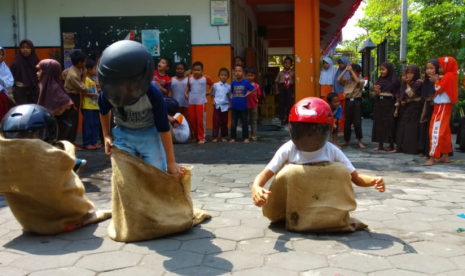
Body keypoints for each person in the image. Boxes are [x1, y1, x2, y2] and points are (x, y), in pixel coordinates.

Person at [252, 97, 385, 208]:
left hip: (322, 202)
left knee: (340, 171)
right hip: (295, 203)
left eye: (313, 133)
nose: (307, 138)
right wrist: (257, 188)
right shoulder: (288, 149)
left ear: (327, 131)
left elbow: (356, 178)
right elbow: (264, 175)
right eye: (303, 132)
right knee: (288, 173)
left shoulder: (331, 150)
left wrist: (373, 181)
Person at [0, 104, 110, 235]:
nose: (22, 141)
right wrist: (66, 148)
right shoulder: (56, 155)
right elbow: (67, 158)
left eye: (28, 136)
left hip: (29, 222)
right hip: (65, 220)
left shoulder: (6, 160)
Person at [98, 40, 185, 178]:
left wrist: (171, 161)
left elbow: (163, 128)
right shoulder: (108, 92)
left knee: (156, 173)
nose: (123, 90)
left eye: (128, 85)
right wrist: (106, 136)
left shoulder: (153, 93)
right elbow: (103, 111)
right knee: (123, 177)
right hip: (122, 134)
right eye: (119, 84)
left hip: (149, 134)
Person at [423, 57, 459, 166]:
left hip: (442, 106)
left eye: (441, 67)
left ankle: (433, 157)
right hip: (443, 106)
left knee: (435, 130)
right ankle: (445, 155)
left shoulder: (448, 76)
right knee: (445, 132)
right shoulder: (451, 75)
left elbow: (439, 89)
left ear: (447, 66)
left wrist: (436, 81)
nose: (439, 69)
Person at [36, 59, 74, 141]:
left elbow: (66, 103)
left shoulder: (54, 87)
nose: (37, 73)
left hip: (57, 129)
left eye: (40, 70)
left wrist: (52, 112)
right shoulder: (45, 85)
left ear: (47, 72)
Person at [393, 65, 423, 154]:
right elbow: (401, 95)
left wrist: (407, 84)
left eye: (411, 73)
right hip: (407, 107)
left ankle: (411, 149)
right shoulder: (406, 84)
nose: (409, 75)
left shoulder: (418, 83)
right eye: (408, 73)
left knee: (412, 128)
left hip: (416, 107)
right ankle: (401, 147)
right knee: (403, 127)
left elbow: (410, 94)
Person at [371, 62, 400, 151]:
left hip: (390, 104)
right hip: (380, 104)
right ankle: (380, 144)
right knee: (379, 123)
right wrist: (376, 91)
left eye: (383, 70)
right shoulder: (379, 80)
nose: (382, 72)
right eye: (381, 70)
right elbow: (373, 94)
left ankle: (391, 145)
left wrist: (396, 108)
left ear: (389, 70)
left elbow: (398, 94)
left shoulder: (394, 81)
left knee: (390, 124)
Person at [63, 50, 88, 149]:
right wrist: (85, 75)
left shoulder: (71, 69)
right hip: (72, 96)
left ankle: (70, 141)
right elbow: (83, 87)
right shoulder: (73, 74)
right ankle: (70, 142)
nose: (85, 63)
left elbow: (63, 74)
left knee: (74, 119)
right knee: (72, 120)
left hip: (73, 95)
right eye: (84, 61)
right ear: (79, 63)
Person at [184, 61, 214, 144]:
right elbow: (188, 87)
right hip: (191, 102)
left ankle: (202, 138)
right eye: (195, 70)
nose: (196, 72)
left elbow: (212, 84)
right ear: (192, 70)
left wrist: (209, 91)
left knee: (200, 121)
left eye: (198, 70)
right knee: (193, 120)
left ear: (202, 70)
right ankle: (196, 136)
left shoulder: (206, 78)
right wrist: (185, 93)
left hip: (201, 102)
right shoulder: (190, 77)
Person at [337, 64, 366, 148]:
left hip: (357, 102)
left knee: (357, 122)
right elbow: (338, 80)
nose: (351, 74)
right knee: (347, 122)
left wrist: (351, 70)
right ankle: (346, 140)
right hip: (348, 101)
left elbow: (357, 82)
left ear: (359, 73)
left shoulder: (361, 80)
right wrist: (346, 70)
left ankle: (359, 140)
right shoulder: (347, 80)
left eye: (354, 72)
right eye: (351, 73)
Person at [419, 60, 440, 158]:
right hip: (428, 107)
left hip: (438, 108)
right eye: (427, 68)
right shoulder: (426, 82)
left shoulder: (439, 80)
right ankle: (426, 151)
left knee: (434, 130)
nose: (429, 71)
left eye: (431, 68)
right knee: (427, 128)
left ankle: (435, 153)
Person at [9, 39, 40, 105]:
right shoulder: (16, 63)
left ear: (32, 49)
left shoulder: (36, 62)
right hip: (20, 92)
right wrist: (11, 95)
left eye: (27, 47)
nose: (25, 49)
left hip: (34, 91)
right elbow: (10, 80)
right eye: (23, 47)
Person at [230, 65, 255, 144]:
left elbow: (253, 89)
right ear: (234, 73)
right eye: (236, 71)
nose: (237, 73)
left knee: (244, 122)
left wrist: (248, 93)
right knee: (234, 122)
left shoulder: (246, 82)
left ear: (243, 73)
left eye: (239, 71)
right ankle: (233, 137)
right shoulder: (233, 83)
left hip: (243, 106)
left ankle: (246, 137)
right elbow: (231, 91)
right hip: (234, 105)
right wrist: (231, 98)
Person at [81, 59, 101, 150]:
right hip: (87, 106)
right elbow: (84, 92)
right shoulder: (86, 80)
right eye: (94, 68)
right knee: (88, 124)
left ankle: (93, 142)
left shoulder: (93, 80)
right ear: (88, 69)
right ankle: (87, 143)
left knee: (95, 124)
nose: (96, 70)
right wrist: (95, 94)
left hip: (94, 106)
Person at [211, 68, 231, 142]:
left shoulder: (229, 87)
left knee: (224, 122)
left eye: (225, 75)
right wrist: (213, 101)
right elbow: (212, 94)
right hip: (217, 105)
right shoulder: (215, 85)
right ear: (219, 75)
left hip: (225, 106)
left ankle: (223, 136)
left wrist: (229, 104)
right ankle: (215, 136)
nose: (223, 76)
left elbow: (230, 97)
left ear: (228, 76)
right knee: (216, 122)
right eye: (222, 75)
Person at [275, 57, 295, 125]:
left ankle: (288, 119)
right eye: (285, 63)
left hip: (289, 88)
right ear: (283, 64)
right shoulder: (280, 73)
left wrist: (294, 92)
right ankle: (282, 119)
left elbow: (295, 83)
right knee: (281, 104)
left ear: (291, 64)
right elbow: (276, 82)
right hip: (282, 87)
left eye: (288, 63)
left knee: (289, 104)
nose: (287, 64)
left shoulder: (293, 73)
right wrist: (277, 90)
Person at [333, 57, 351, 130]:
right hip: (338, 95)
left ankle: (343, 129)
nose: (340, 65)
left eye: (342, 63)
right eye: (339, 63)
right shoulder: (338, 72)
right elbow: (335, 83)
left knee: (344, 112)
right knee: (340, 112)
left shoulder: (349, 73)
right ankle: (341, 128)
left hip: (346, 95)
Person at [245, 67, 262, 141]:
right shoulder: (244, 85)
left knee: (254, 121)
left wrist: (256, 100)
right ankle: (246, 135)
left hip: (254, 105)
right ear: (245, 76)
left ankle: (253, 135)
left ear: (254, 76)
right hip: (245, 105)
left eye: (251, 75)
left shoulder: (256, 86)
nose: (249, 77)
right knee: (245, 121)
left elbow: (259, 95)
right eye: (248, 75)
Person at [0, 46, 14, 121]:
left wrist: (1, 79)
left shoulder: (4, 67)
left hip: (2, 97)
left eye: (2, 55)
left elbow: (10, 82)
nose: (1, 57)